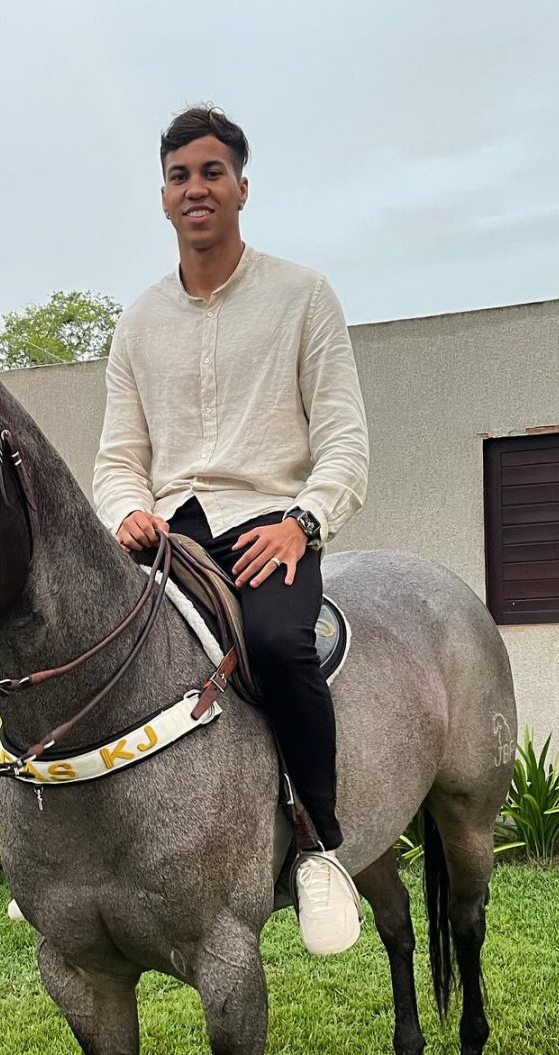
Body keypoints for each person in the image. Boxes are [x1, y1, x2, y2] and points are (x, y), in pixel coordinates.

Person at [92, 104, 370, 956]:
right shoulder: (137, 323)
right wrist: (123, 511)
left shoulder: (302, 296)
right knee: (73, 641)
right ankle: (68, 857)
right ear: (164, 197)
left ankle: (319, 848)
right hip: (169, 539)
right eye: (179, 176)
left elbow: (344, 441)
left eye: (211, 172)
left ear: (241, 188)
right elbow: (116, 457)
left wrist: (302, 522)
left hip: (266, 532)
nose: (195, 188)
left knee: (281, 647)